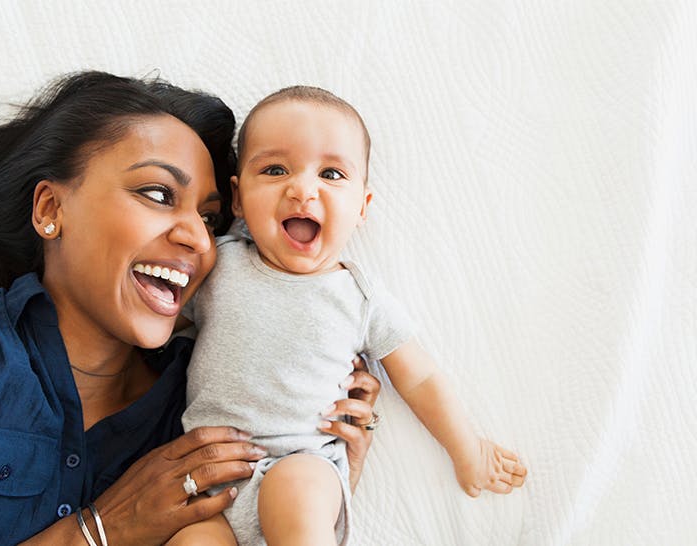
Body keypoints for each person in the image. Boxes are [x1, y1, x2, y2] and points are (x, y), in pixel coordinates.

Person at [0, 72, 382, 545]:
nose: (197, 237)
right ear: (50, 209)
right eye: (157, 194)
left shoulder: (197, 417)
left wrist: (328, 471)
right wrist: (101, 531)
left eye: (210, 219)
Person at [174, 86, 529, 545]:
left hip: (302, 464)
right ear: (238, 199)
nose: (302, 188)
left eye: (331, 173)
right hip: (214, 482)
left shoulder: (360, 297)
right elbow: (162, 322)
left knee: (293, 494)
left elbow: (419, 378)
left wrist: (466, 448)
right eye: (275, 169)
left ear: (362, 206)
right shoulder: (219, 266)